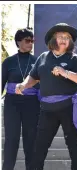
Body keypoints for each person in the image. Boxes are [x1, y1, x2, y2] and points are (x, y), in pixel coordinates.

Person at [15, 23, 77, 170]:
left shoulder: (74, 59)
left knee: (73, 144)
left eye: (67, 37)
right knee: (39, 146)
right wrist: (23, 85)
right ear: (53, 39)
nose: (64, 40)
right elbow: (33, 77)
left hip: (68, 107)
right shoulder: (43, 58)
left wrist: (65, 72)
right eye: (61, 37)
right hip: (47, 109)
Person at [2, 28, 40, 170]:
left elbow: (43, 84)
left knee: (31, 141)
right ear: (19, 42)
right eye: (27, 40)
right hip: (12, 103)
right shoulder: (8, 62)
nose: (31, 43)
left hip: (32, 104)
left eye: (32, 41)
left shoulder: (37, 61)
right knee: (11, 139)